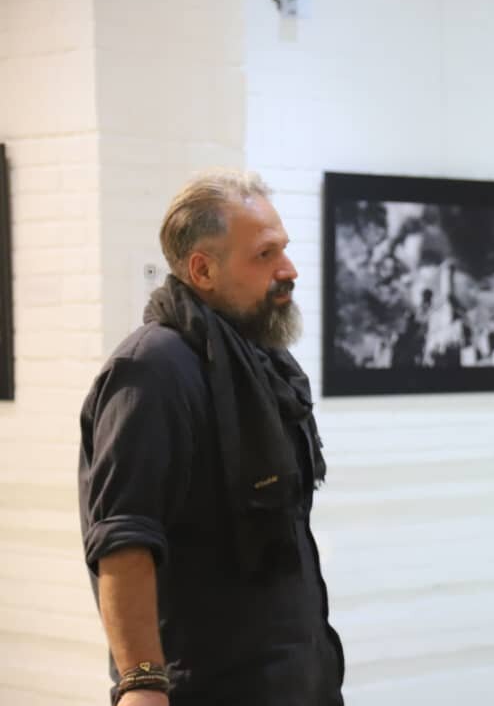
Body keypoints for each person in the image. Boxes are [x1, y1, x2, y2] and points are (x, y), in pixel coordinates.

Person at [78, 171, 345, 706]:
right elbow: (124, 539)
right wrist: (141, 685)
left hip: (295, 683)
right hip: (208, 687)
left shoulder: (262, 361)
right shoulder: (154, 370)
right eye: (265, 255)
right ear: (203, 269)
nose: (288, 270)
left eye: (284, 251)